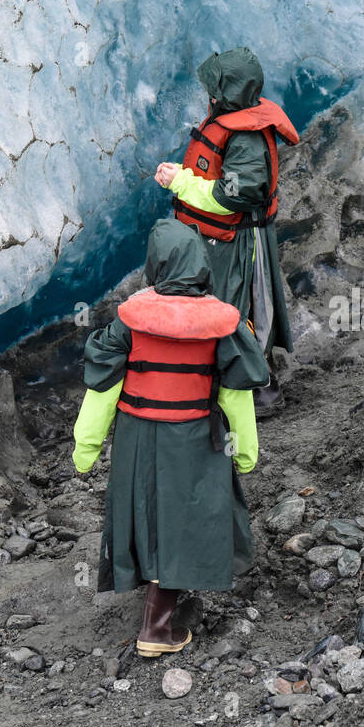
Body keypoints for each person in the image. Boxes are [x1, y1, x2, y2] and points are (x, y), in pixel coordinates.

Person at [71, 218, 269, 656]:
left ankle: (154, 614)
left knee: (145, 511)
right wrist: (246, 451)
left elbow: (102, 390)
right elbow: (237, 396)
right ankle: (157, 629)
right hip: (195, 436)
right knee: (188, 517)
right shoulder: (221, 326)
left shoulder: (130, 323)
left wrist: (85, 447)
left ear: (155, 266)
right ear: (199, 263)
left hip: (137, 439)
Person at [154, 47, 298, 418]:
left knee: (238, 307)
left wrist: (181, 184)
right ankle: (233, 384)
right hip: (220, 239)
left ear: (228, 94)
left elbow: (232, 197)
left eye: (214, 89)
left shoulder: (246, 139)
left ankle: (260, 390)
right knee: (221, 305)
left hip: (240, 240)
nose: (209, 96)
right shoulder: (232, 121)